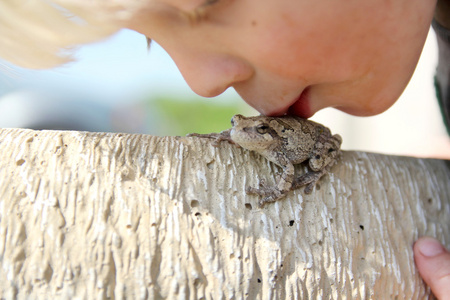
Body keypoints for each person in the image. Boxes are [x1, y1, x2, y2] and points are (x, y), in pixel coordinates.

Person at [0, 0, 449, 298]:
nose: (201, 83)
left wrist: (281, 188)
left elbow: (287, 173)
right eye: (153, 40)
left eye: (209, 0)